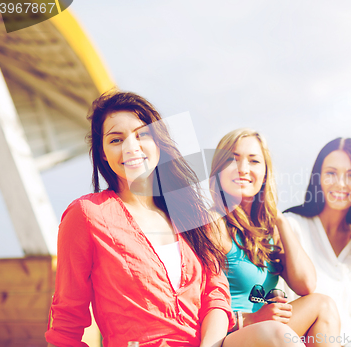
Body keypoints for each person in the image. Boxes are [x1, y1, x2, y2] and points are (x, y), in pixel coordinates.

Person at [45, 92, 305, 347]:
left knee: (279, 334)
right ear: (103, 153)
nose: (130, 147)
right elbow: (66, 323)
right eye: (116, 139)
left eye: (141, 134)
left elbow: (216, 294)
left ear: (158, 143)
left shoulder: (190, 213)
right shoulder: (87, 214)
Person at [209, 128, 341, 347]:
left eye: (253, 161)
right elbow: (194, 304)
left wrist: (279, 220)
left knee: (323, 306)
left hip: (268, 333)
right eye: (232, 160)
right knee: (277, 332)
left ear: (265, 174)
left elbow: (306, 285)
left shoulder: (270, 229)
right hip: (227, 336)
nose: (243, 169)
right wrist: (250, 319)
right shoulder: (213, 223)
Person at [283, 138, 351, 347]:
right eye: (331, 173)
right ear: (318, 177)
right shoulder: (292, 227)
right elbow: (280, 307)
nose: (340, 183)